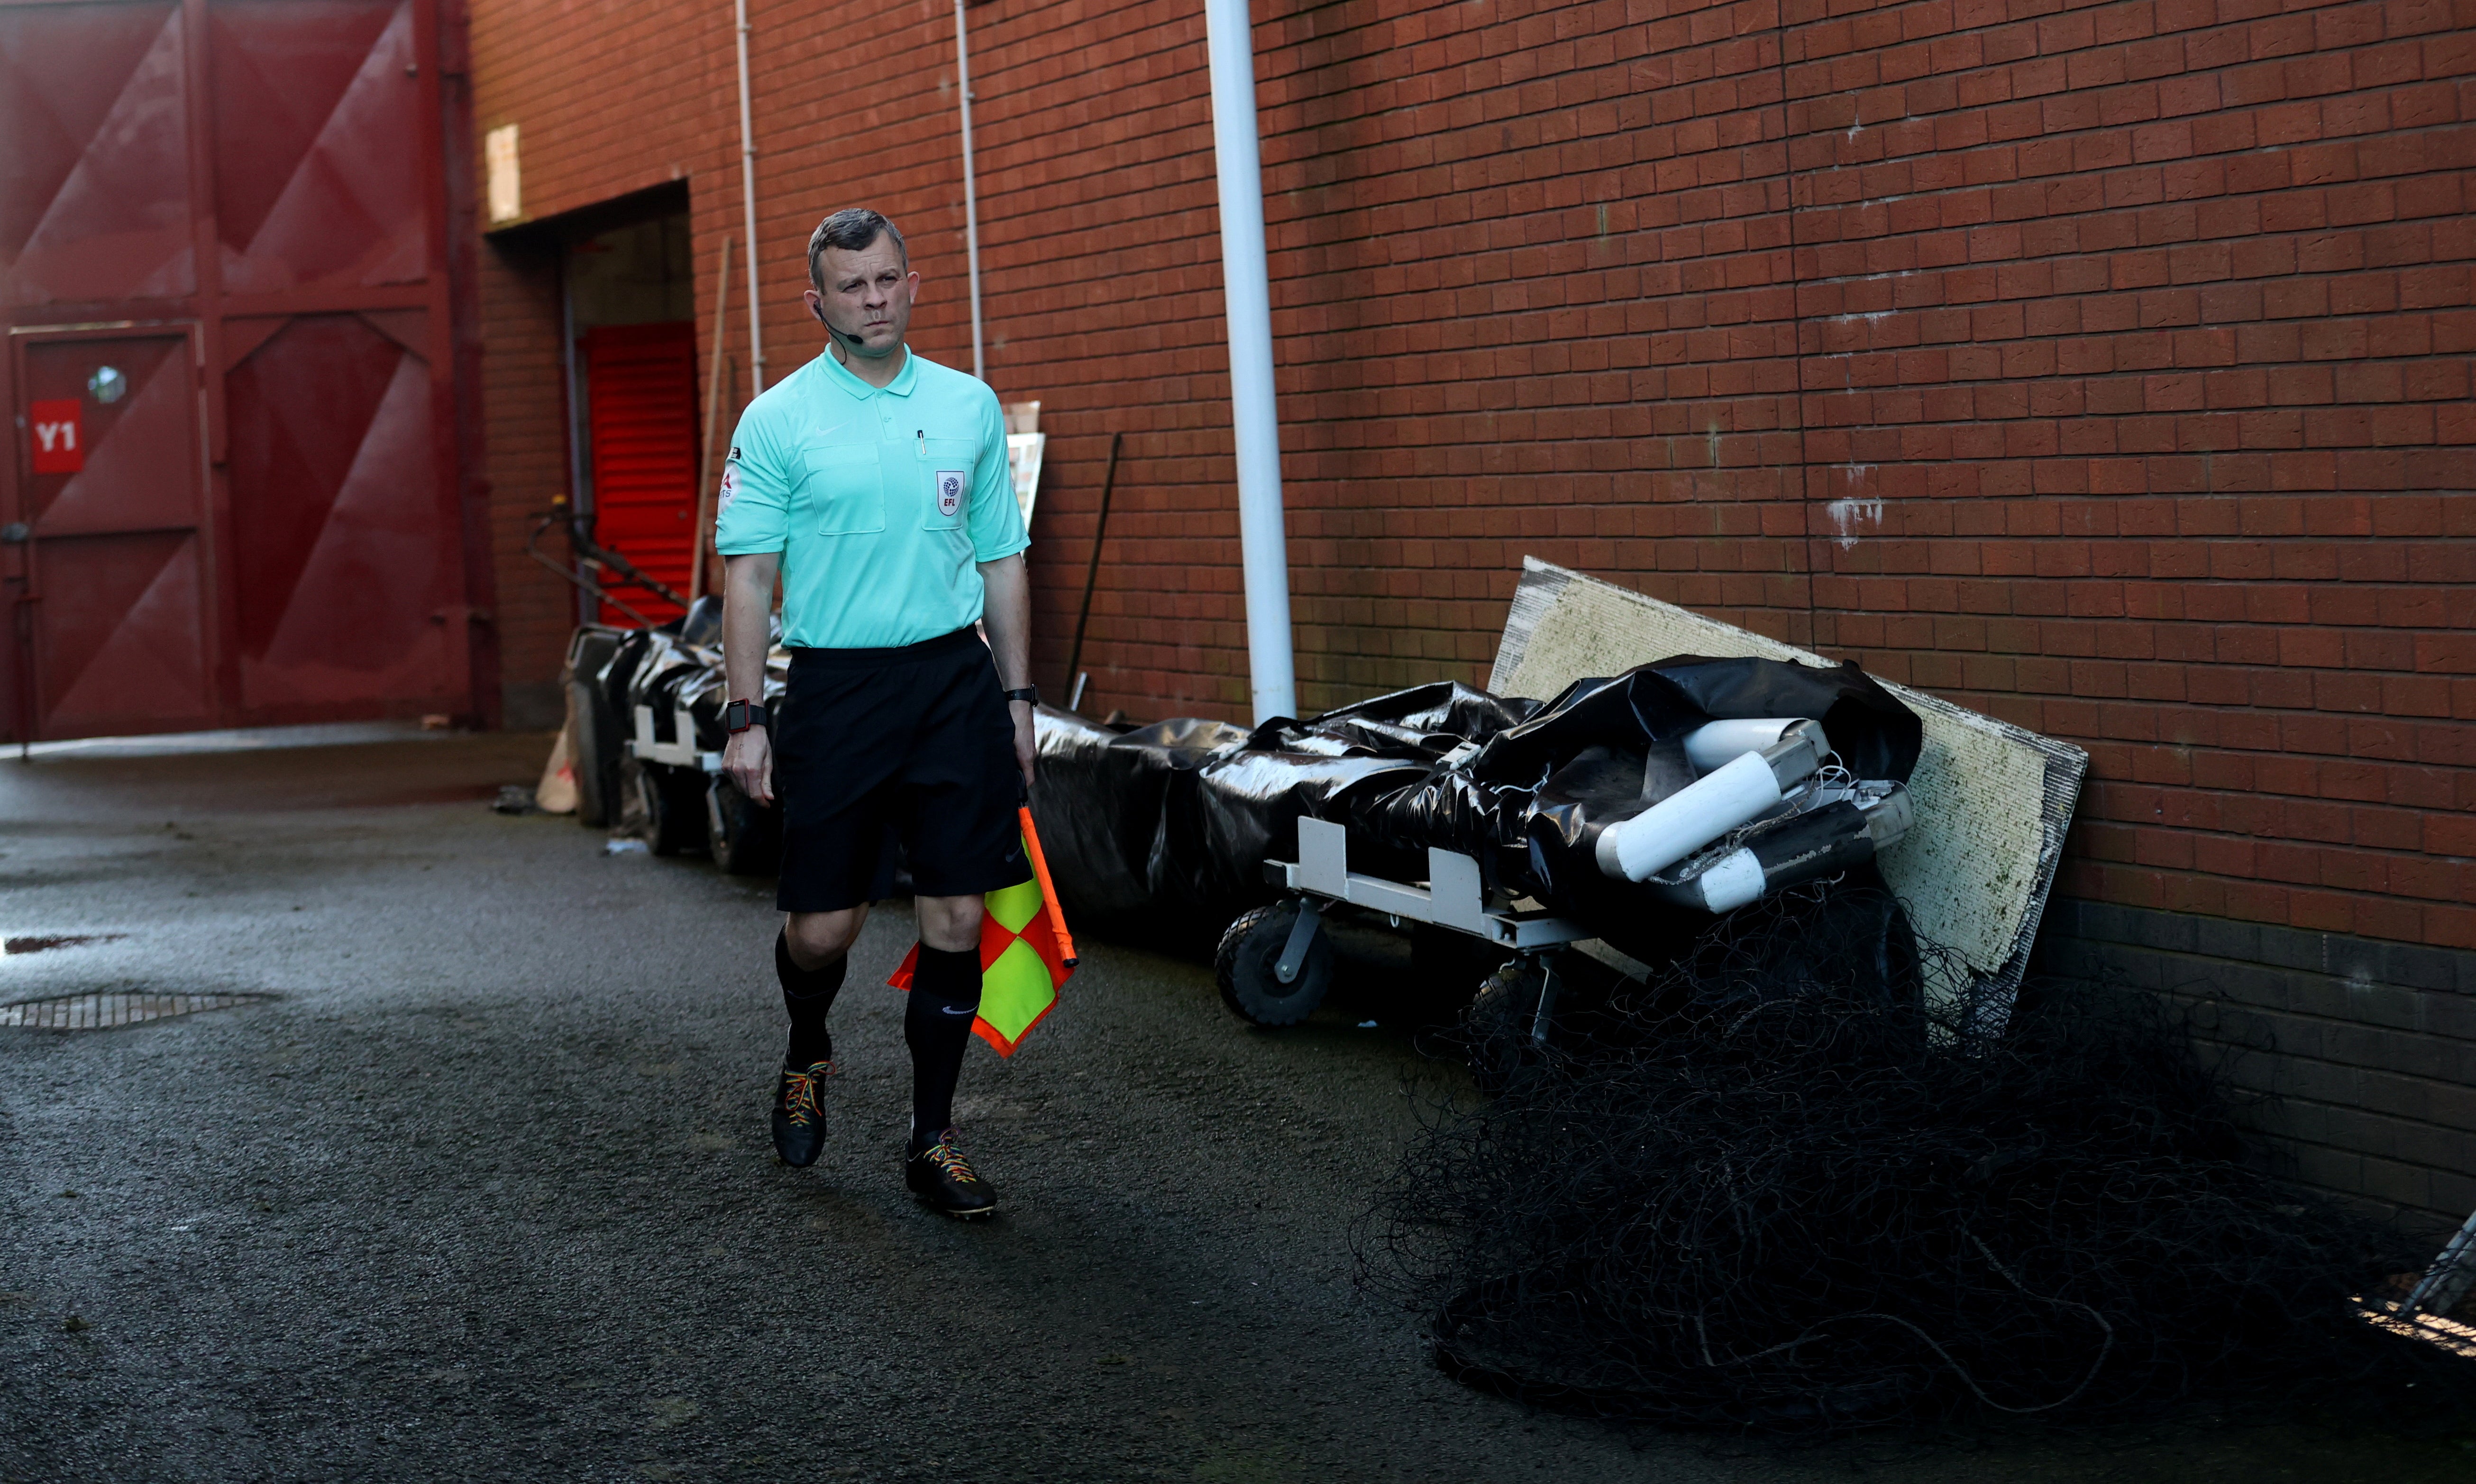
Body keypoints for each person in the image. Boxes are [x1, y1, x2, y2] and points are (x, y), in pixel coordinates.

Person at [712, 208, 1037, 1219]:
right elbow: (751, 576)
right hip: (835, 688)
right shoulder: (777, 420)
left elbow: (1001, 561)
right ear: (817, 302)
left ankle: (931, 1140)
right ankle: (808, 1050)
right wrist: (744, 713)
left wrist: (1020, 699)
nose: (876, 299)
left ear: (910, 281)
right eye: (853, 287)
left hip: (950, 684)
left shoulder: (967, 404)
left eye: (889, 279)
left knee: (956, 915)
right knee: (822, 930)